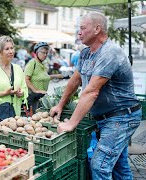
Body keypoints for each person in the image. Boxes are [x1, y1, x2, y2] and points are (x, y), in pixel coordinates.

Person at [50, 12, 142, 179]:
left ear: (97, 29)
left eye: (83, 28)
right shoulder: (86, 54)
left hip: (122, 117)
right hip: (107, 118)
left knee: (100, 165)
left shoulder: (110, 53)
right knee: (119, 167)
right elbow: (75, 80)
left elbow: (91, 91)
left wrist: (71, 123)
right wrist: (60, 104)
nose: (79, 32)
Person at [24, 42, 63, 113]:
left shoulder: (42, 64)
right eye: (43, 53)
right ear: (37, 52)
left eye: (46, 53)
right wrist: (35, 90)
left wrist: (56, 76)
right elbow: (26, 79)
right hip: (32, 98)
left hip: (40, 97)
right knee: (33, 119)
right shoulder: (32, 63)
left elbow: (44, 77)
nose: (45, 55)